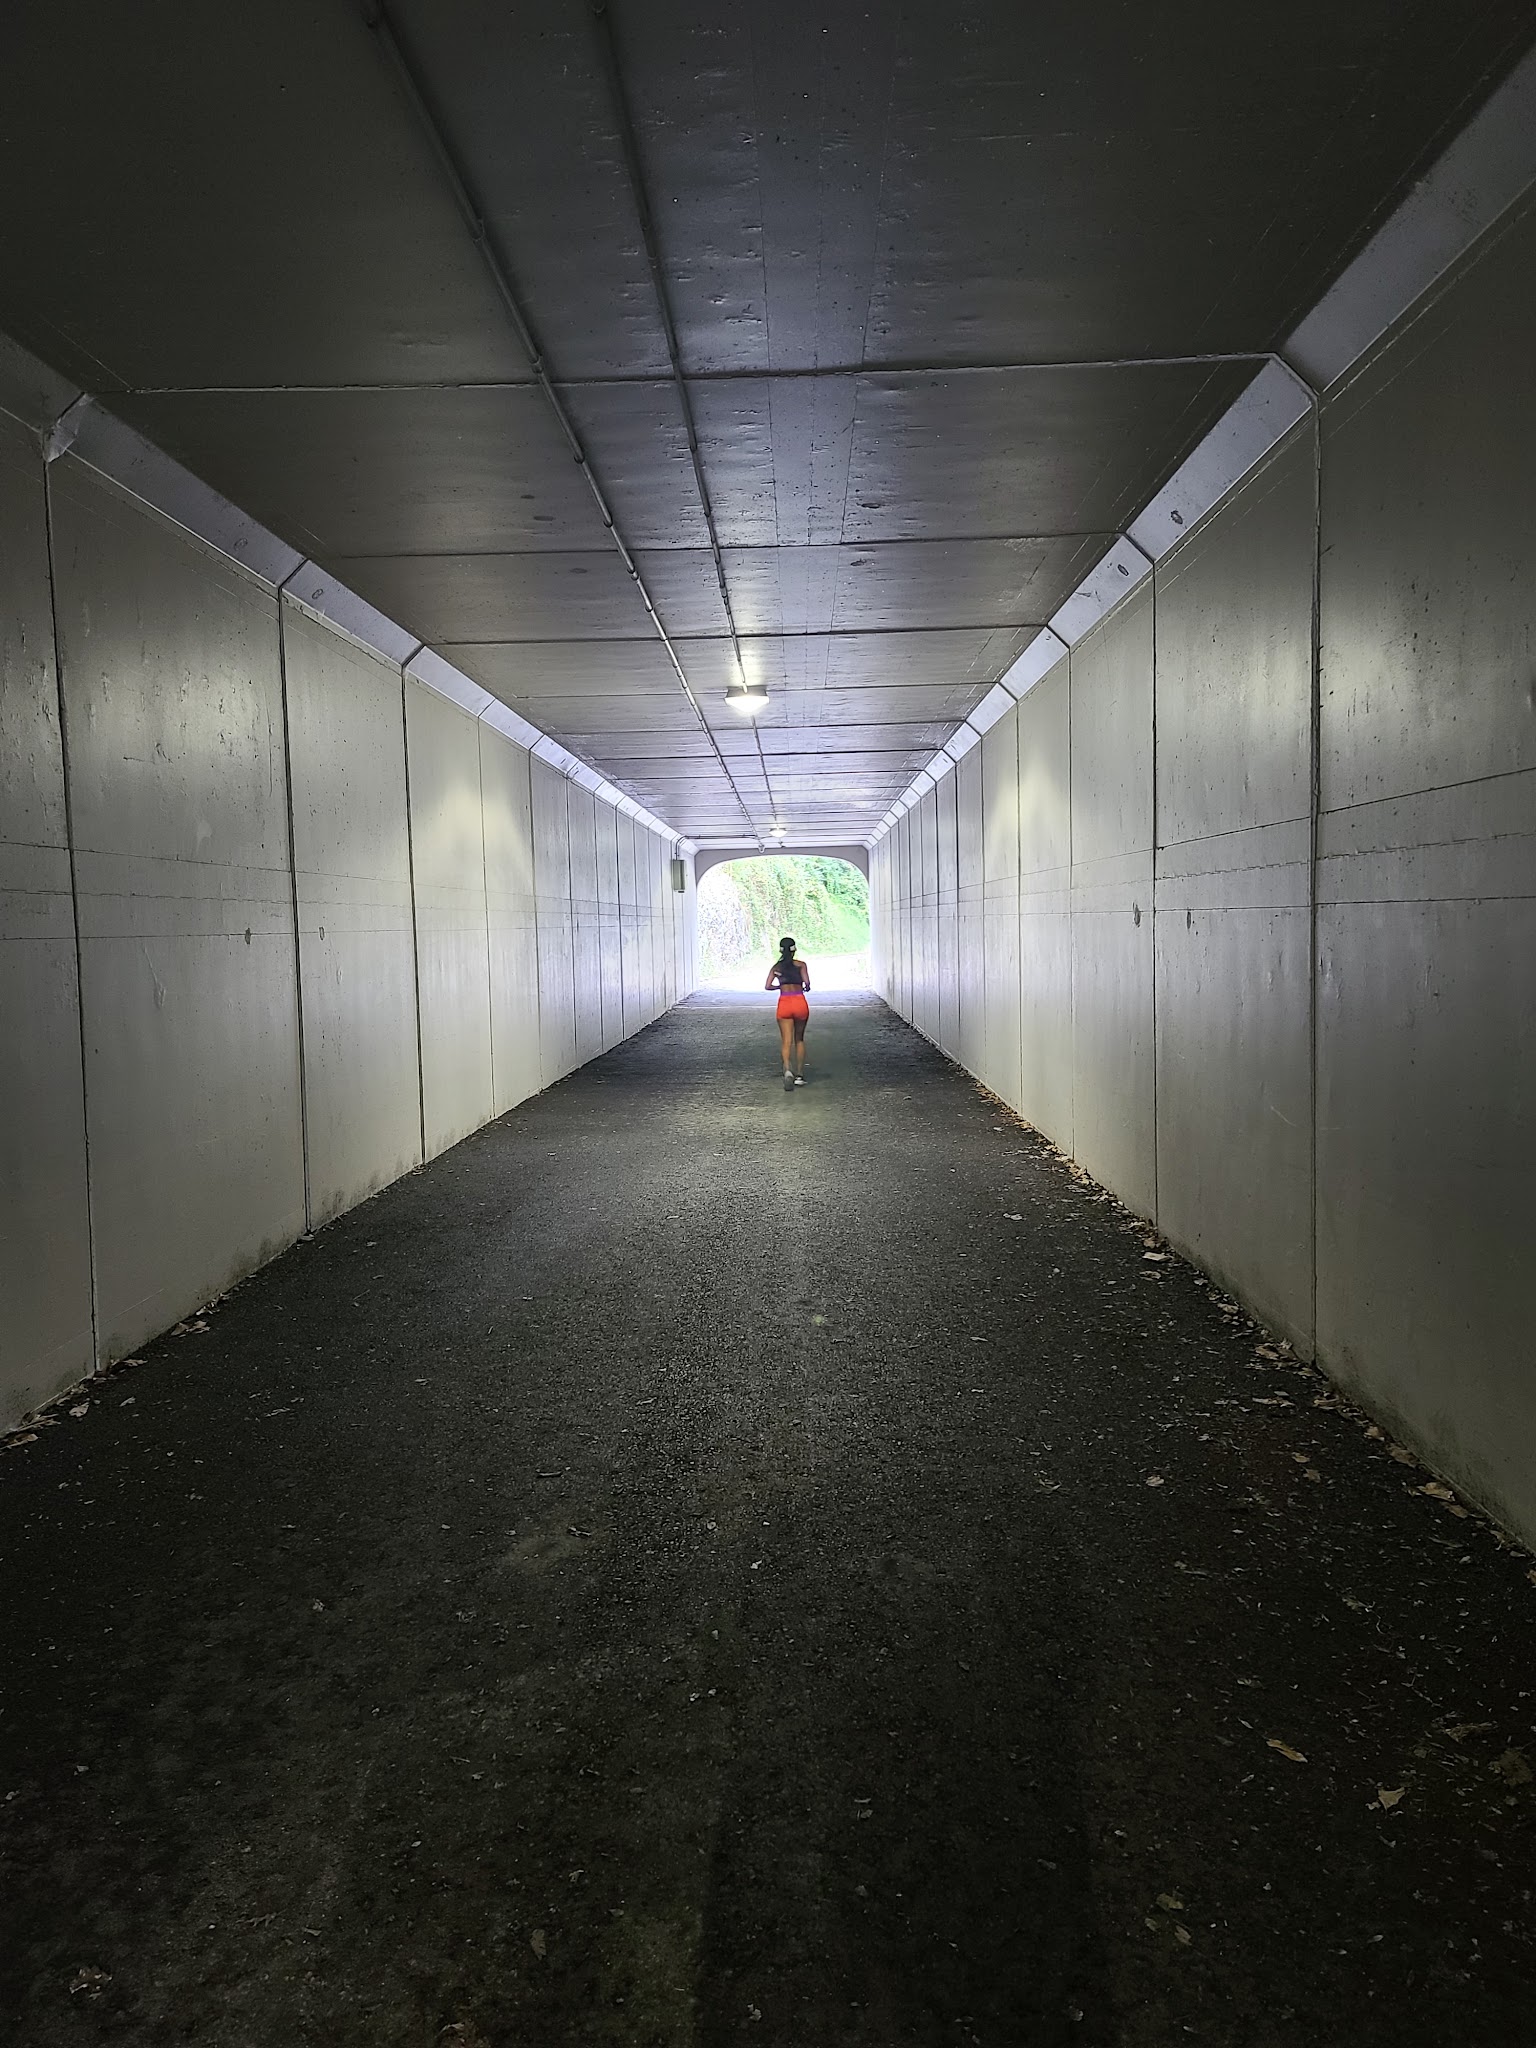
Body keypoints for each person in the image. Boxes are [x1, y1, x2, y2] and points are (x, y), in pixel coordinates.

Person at [765, 935, 811, 1089]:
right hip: (799, 1002)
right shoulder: (801, 965)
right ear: (794, 950)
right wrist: (804, 986)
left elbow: (767, 986)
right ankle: (799, 1075)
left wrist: (781, 987)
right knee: (799, 1039)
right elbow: (807, 983)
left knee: (786, 1041)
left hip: (784, 1002)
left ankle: (787, 1070)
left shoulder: (776, 968)